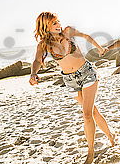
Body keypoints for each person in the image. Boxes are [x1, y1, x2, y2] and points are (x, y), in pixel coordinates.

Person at [29, 12, 114, 164]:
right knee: (93, 111)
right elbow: (37, 60)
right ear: (45, 26)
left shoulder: (68, 31)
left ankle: (90, 152)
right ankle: (110, 136)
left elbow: (86, 36)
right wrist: (33, 74)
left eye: (58, 22)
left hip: (87, 73)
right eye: (54, 23)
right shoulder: (43, 44)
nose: (58, 25)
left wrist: (99, 48)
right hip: (70, 81)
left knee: (87, 114)